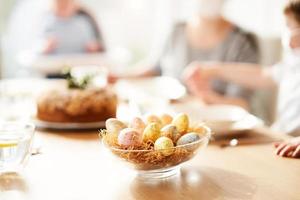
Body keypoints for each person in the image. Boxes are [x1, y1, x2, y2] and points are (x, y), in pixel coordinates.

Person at [183, 0, 300, 158]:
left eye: (291, 27)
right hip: (283, 139)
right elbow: (263, 75)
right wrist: (213, 69)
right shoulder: (294, 61)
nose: (288, 36)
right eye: (286, 26)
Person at [39, 0, 105, 55]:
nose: (62, 7)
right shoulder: (47, 21)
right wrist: (46, 48)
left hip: (80, 63)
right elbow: (37, 49)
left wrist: (94, 48)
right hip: (53, 65)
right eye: (60, 4)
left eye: (66, 4)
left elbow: (97, 46)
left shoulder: (83, 21)